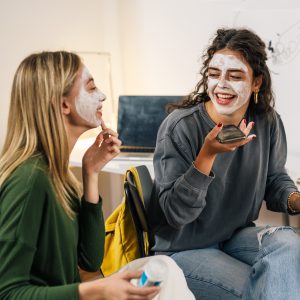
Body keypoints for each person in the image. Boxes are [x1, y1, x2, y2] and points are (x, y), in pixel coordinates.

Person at [147, 28, 300, 300]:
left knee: (289, 244)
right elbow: (175, 214)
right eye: (214, 74)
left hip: (235, 237)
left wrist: (296, 200)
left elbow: (275, 179)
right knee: (270, 288)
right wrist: (206, 155)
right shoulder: (180, 127)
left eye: (235, 76)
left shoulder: (267, 121)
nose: (221, 85)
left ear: (257, 83)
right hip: (184, 249)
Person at [0, 51, 160, 299]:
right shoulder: (29, 180)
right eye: (91, 87)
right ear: (64, 104)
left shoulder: (57, 173)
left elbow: (90, 260)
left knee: (166, 270)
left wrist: (91, 173)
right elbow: (8, 293)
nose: (103, 96)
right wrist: (98, 290)